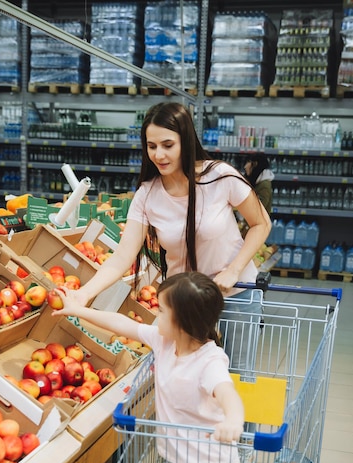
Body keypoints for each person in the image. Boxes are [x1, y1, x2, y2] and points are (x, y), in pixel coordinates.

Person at [52, 271, 260, 463]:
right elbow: (122, 324)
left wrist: (234, 420)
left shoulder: (210, 361)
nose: (154, 314)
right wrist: (78, 310)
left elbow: (228, 394)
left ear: (184, 322)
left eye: (161, 311)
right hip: (174, 461)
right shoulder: (165, 342)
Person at [70, 101, 271, 317]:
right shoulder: (147, 195)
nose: (158, 155)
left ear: (185, 142)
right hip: (184, 301)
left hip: (235, 296)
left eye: (168, 145)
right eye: (152, 146)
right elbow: (122, 257)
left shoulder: (219, 176)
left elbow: (261, 223)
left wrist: (234, 270)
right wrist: (83, 294)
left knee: (234, 353)